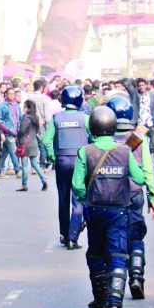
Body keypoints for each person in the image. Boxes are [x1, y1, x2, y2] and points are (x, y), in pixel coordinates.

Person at [71, 107, 145, 308]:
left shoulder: (85, 151)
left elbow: (77, 185)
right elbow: (139, 179)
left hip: (95, 211)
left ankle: (101, 299)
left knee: (95, 253)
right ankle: (115, 302)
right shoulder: (124, 151)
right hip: (119, 212)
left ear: (92, 127)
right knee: (118, 255)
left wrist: (88, 195)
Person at [105, 96, 154, 299]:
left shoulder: (103, 139)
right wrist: (152, 196)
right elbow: (147, 170)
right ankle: (137, 276)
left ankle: (115, 283)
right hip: (135, 193)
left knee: (115, 238)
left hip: (110, 196)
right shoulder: (139, 138)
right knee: (136, 236)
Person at [44, 86, 90, 248]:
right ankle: (73, 236)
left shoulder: (57, 119)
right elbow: (93, 138)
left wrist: (53, 156)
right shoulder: (85, 118)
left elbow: (46, 140)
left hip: (62, 162)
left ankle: (64, 235)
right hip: (80, 162)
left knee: (63, 200)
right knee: (78, 199)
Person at [17, 100, 48, 191]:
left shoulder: (25, 118)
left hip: (25, 143)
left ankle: (24, 184)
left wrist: (17, 137)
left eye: (25, 107)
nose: (23, 108)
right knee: (35, 163)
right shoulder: (35, 118)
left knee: (25, 165)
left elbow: (22, 130)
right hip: (33, 142)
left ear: (28, 108)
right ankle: (44, 179)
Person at [0, 88, 21, 178]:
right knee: (13, 152)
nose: (11, 96)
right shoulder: (2, 106)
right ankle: (18, 170)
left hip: (15, 132)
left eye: (13, 94)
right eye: (10, 94)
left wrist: (20, 131)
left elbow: (19, 118)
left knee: (5, 153)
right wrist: (1, 132)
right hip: (7, 132)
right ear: (6, 95)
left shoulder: (16, 105)